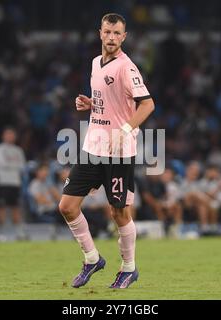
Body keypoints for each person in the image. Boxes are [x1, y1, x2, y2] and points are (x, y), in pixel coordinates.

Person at [58, 13, 155, 289]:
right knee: (66, 206)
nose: (112, 38)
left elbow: (148, 105)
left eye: (117, 34)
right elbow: (111, 102)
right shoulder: (95, 63)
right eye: (108, 32)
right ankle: (91, 259)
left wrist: (125, 129)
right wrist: (91, 104)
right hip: (93, 146)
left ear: (124, 37)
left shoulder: (127, 68)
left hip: (120, 150)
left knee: (119, 212)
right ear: (100, 33)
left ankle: (129, 268)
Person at [0, 127, 27, 241]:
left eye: (12, 134)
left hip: (15, 183)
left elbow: (23, 166)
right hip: (3, 182)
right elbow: (2, 164)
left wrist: (12, 165)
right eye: (7, 134)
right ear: (3, 136)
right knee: (1, 209)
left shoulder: (18, 150)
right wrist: (15, 166)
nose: (10, 137)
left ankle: (19, 233)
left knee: (16, 209)